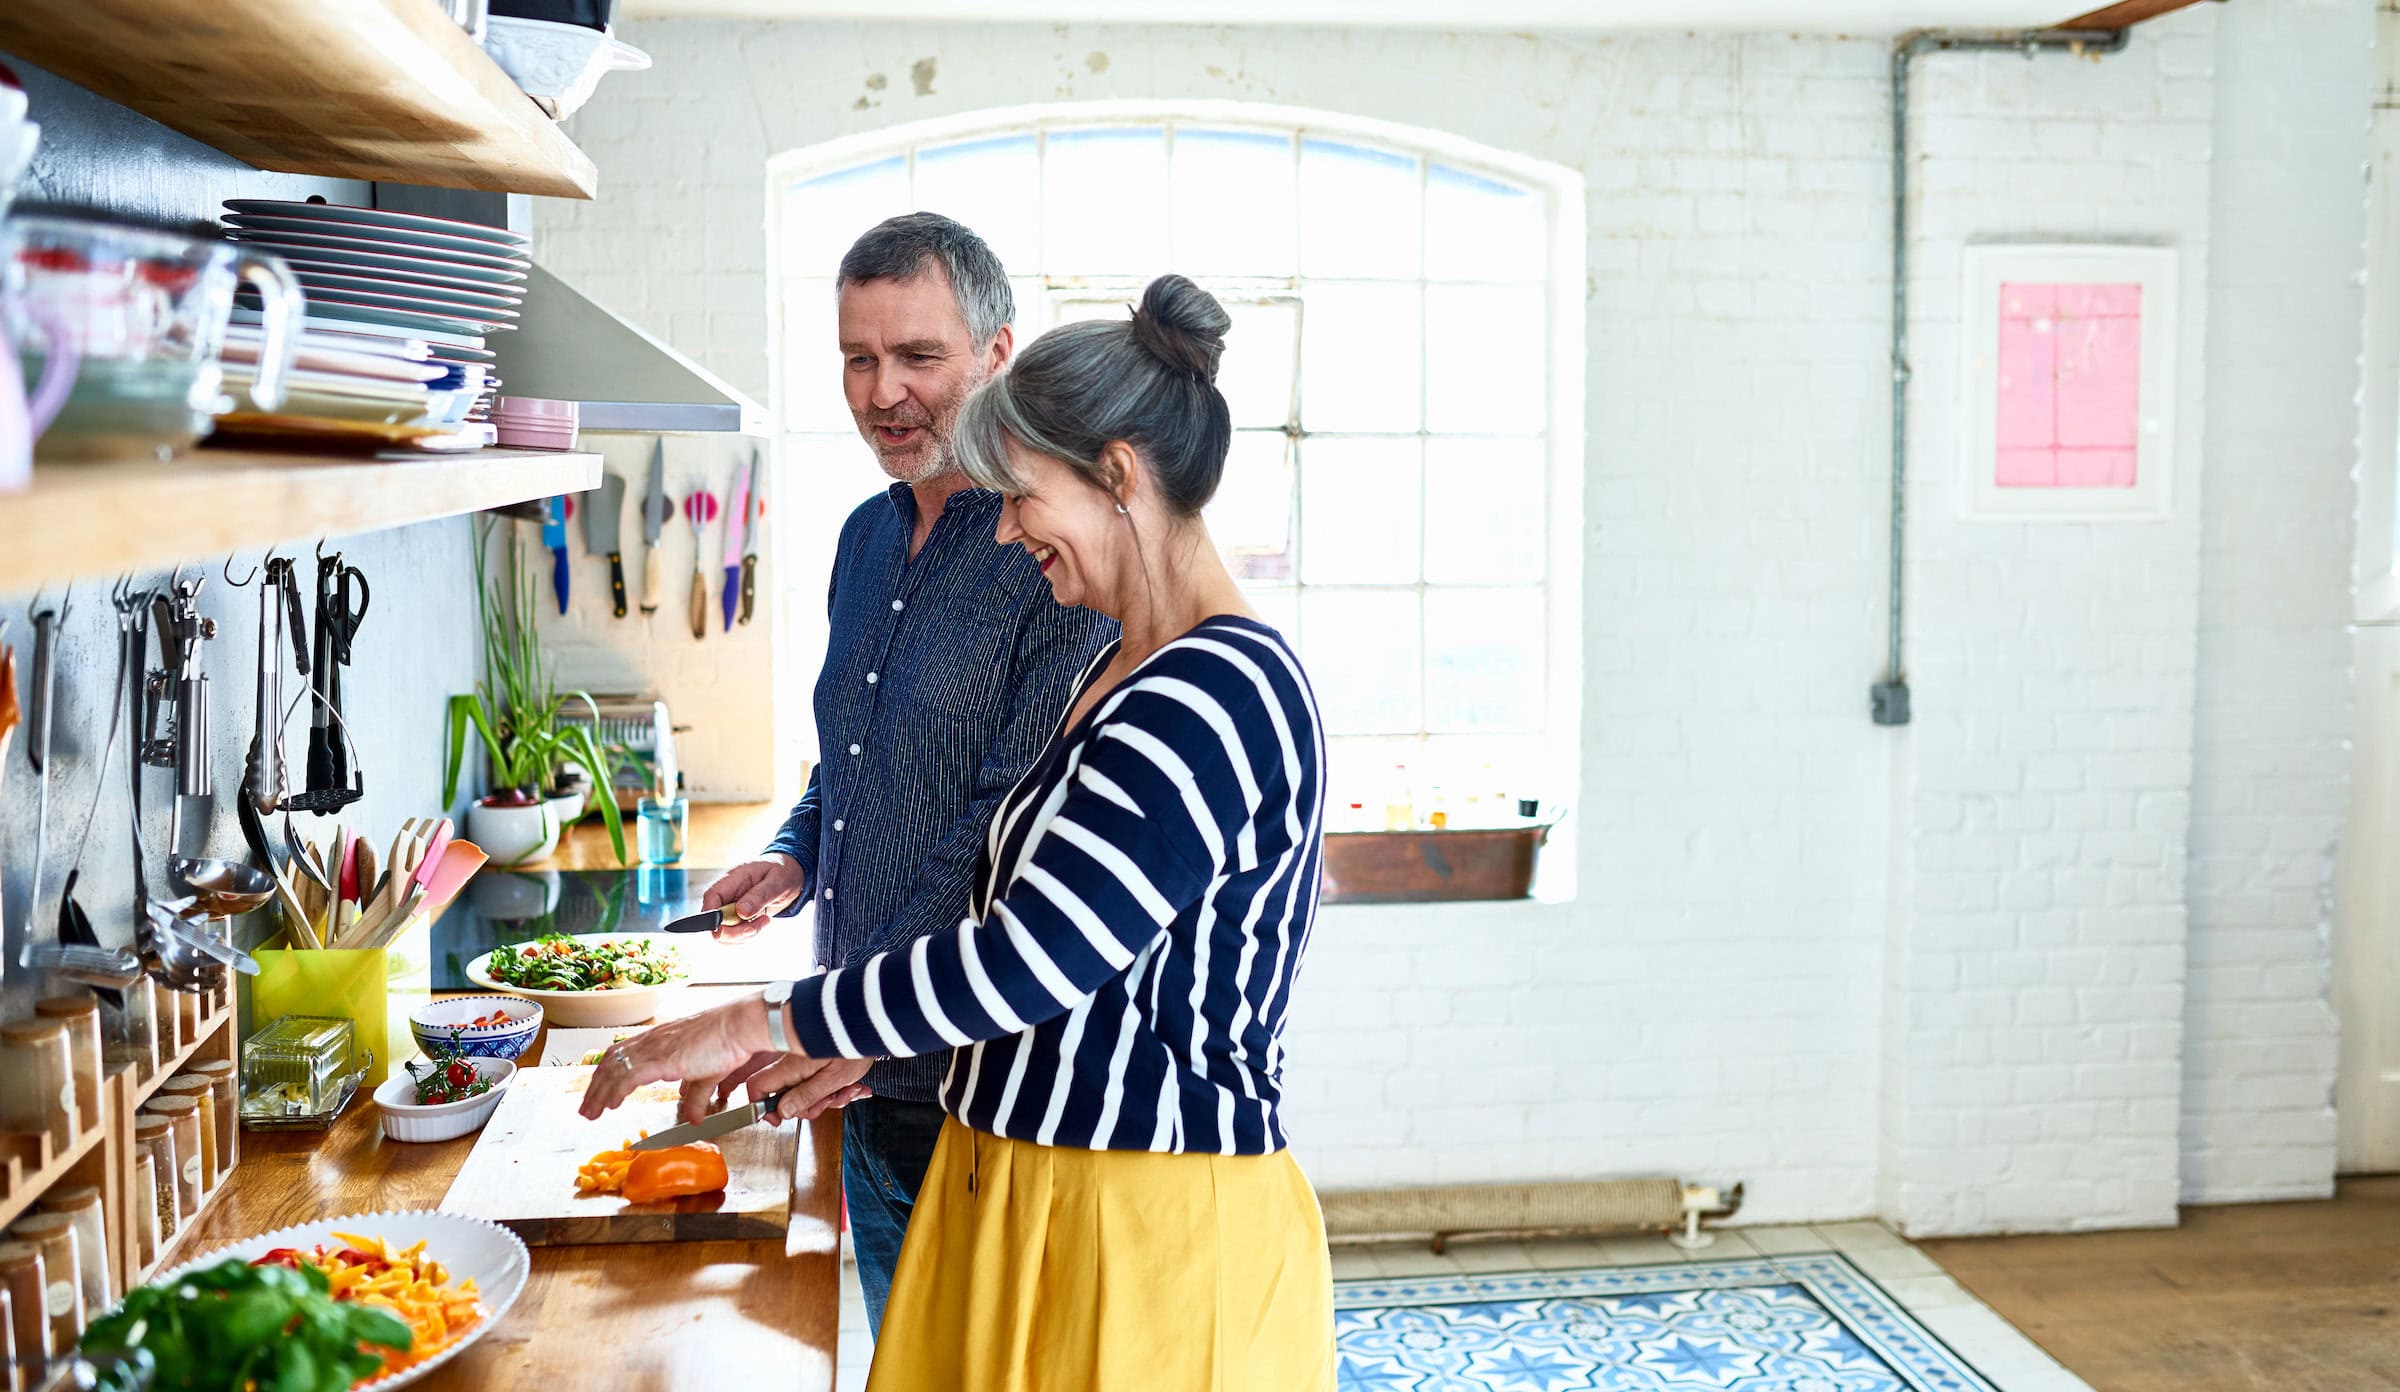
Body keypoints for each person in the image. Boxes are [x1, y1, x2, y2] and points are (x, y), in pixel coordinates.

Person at [584, 275, 1335, 1390]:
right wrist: (855, 1037)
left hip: (1136, 1221)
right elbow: (1044, 942)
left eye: (1024, 494)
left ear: (1118, 476)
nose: (1011, 525)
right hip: (1037, 1190)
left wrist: (761, 1016)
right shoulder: (1121, 662)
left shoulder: (1216, 693)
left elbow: (1032, 958)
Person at [697, 212, 1117, 1333]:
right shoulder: (863, 539)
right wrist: (791, 854)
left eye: (918, 356)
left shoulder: (1046, 560)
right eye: (858, 357)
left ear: (997, 354)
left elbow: (998, 833)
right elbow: (853, 756)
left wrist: (826, 1023)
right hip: (862, 1081)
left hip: (983, 1099)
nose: (884, 391)